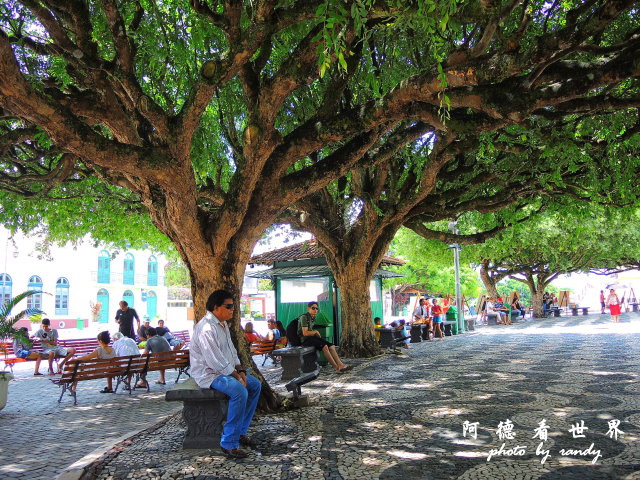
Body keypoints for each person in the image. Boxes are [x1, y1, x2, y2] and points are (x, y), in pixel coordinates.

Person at [190, 289, 262, 459]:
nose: (232, 310)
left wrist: (241, 370)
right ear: (216, 307)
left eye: (233, 306)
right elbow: (214, 360)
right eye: (229, 306)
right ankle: (229, 442)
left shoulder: (223, 325)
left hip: (226, 370)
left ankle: (240, 432)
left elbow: (231, 351)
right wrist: (236, 376)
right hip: (209, 374)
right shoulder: (206, 328)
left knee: (255, 385)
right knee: (239, 391)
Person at [299, 302, 352, 373]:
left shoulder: (313, 317)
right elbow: (305, 333)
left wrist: (315, 333)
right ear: (308, 308)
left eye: (317, 308)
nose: (315, 310)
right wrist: (316, 332)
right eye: (313, 308)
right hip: (305, 340)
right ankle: (337, 368)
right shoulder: (304, 317)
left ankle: (340, 365)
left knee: (332, 346)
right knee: (325, 347)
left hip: (312, 338)